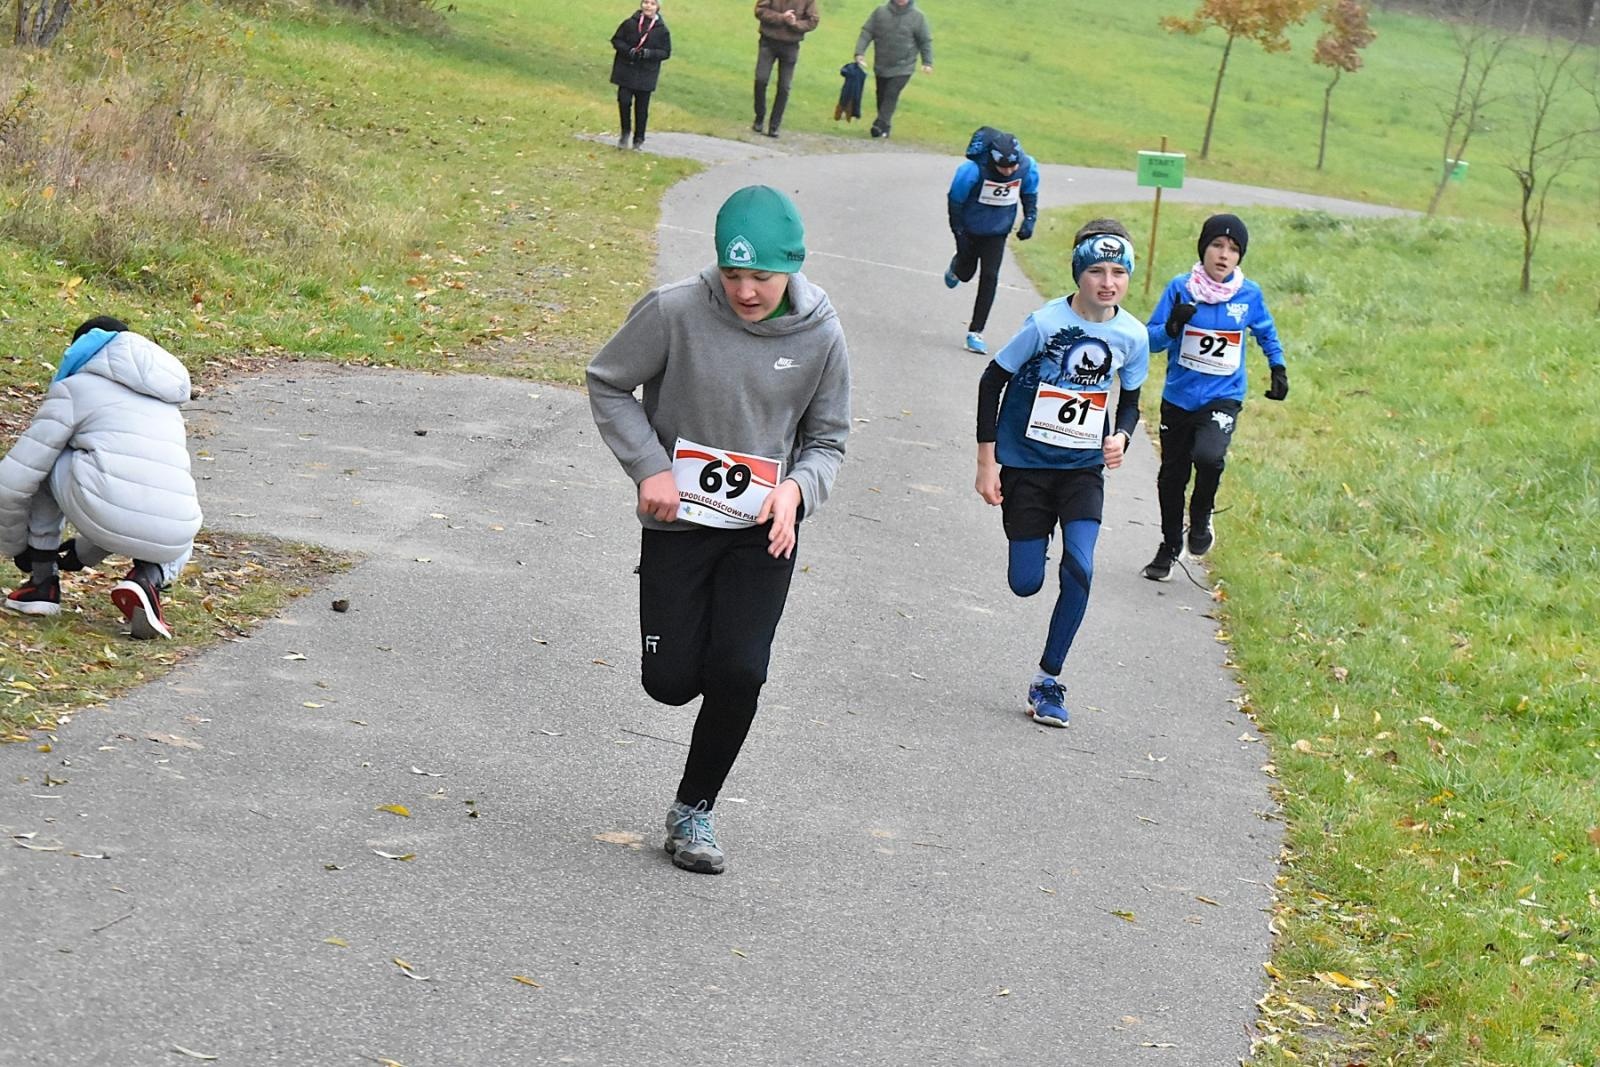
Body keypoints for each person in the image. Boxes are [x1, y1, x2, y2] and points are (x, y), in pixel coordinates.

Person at [587, 185, 851, 875]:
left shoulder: (821, 332)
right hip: (680, 521)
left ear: (791, 265)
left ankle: (693, 810)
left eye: (761, 276)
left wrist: (797, 490)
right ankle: (692, 657)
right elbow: (608, 381)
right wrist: (649, 468)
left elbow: (828, 440)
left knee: (741, 668)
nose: (745, 290)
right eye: (732, 275)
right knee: (670, 681)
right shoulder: (674, 311)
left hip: (764, 526)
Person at [974, 221, 1148, 728]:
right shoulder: (1045, 324)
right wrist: (987, 462)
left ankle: (1048, 679)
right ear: (1078, 272)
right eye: (1096, 269)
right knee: (1025, 583)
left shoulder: (1132, 336)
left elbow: (1131, 402)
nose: (1108, 281)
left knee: (1080, 568)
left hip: (1082, 470)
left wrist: (1122, 437)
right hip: (1027, 466)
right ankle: (1034, 543)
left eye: (1119, 272)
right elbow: (992, 381)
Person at [1, 316, 203, 639]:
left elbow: (12, 481)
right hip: (175, 534)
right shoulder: (167, 404)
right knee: (172, 494)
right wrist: (83, 554)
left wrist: (19, 548)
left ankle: (43, 584)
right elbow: (132, 493)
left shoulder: (76, 389)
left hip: (101, 506)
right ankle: (147, 578)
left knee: (45, 459)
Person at [1140, 213, 1287, 582]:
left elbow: (1265, 330)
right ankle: (1170, 544)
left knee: (1208, 456)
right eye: (1217, 246)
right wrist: (1173, 325)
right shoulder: (1180, 288)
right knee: (1172, 476)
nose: (1224, 255)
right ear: (1204, 248)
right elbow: (1151, 339)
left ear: (1240, 257)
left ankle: (1201, 517)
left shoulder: (1248, 294)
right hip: (1179, 396)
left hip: (1224, 396)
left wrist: (1278, 367)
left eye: (1233, 249)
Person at [944, 126, 1039, 357]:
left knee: (990, 276)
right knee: (966, 272)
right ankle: (957, 266)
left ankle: (976, 332)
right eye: (1002, 167)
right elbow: (955, 201)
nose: (1008, 172)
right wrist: (959, 234)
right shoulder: (971, 170)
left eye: (1012, 167)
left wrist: (1029, 220)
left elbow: (1030, 194)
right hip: (969, 228)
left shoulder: (1027, 167)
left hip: (997, 230)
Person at [852, 0, 933, 139]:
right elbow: (867, 32)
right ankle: (885, 127)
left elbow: (925, 41)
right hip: (882, 63)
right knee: (882, 94)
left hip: (904, 66)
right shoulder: (880, 12)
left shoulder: (918, 17)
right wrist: (860, 53)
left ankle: (879, 124)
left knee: (891, 93)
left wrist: (927, 62)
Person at [609, 0, 672, 151]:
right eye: (645, 2)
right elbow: (616, 40)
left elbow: (666, 52)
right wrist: (628, 50)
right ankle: (625, 133)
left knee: (642, 108)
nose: (648, 6)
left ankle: (639, 139)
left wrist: (649, 53)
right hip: (626, 70)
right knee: (624, 101)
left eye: (652, 3)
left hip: (646, 74)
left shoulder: (662, 30)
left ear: (657, 7)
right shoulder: (629, 23)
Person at [752, 0, 819, 139]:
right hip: (768, 42)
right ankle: (759, 117)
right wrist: (781, 17)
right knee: (761, 79)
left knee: (784, 87)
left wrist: (795, 24)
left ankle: (774, 125)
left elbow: (813, 20)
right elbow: (760, 10)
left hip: (791, 46)